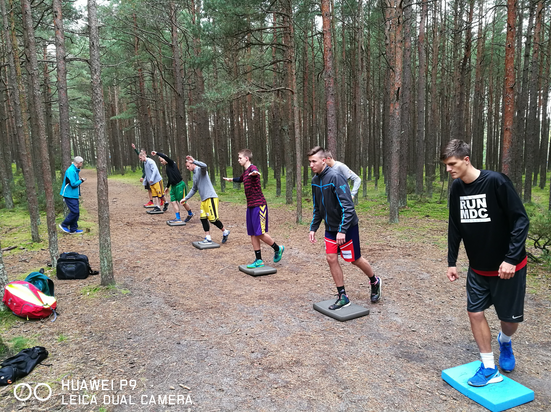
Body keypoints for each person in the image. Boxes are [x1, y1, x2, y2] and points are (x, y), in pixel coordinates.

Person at [442, 139, 529, 387]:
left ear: (466, 160)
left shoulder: (496, 182)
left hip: (508, 270)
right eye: (446, 165)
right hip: (478, 269)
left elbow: (520, 220)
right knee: (474, 312)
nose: (448, 169)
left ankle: (505, 340)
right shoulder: (457, 188)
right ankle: (489, 366)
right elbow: (455, 226)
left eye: (452, 164)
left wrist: (511, 259)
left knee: (510, 321)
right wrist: (452, 261)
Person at [307, 146, 381, 310]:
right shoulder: (315, 181)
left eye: (314, 161)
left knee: (354, 260)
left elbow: (348, 208)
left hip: (347, 227)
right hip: (330, 228)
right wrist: (313, 228)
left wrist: (342, 230)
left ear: (324, 160)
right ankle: (343, 296)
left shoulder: (336, 178)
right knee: (331, 258)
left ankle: (374, 280)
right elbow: (318, 208)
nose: (311, 165)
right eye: (309, 162)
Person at [223, 149, 284, 268]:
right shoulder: (245, 172)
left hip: (259, 205)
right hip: (250, 206)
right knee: (252, 233)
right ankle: (259, 260)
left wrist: (256, 173)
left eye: (240, 158)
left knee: (260, 233)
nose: (238, 160)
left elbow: (255, 171)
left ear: (246, 158)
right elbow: (240, 179)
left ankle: (278, 248)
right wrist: (230, 179)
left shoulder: (252, 168)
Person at [181, 155, 230, 244]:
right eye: (186, 167)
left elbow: (204, 165)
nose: (187, 168)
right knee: (203, 218)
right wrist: (185, 198)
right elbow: (194, 189)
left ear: (192, 164)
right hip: (204, 200)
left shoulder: (201, 170)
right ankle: (208, 237)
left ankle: (225, 231)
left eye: (188, 166)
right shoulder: (194, 175)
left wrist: (194, 160)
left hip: (211, 198)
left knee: (213, 219)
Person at [151, 151, 194, 224]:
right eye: (160, 162)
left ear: (165, 159)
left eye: (162, 161)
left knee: (182, 202)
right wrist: (167, 187)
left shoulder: (171, 163)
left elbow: (165, 157)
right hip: (173, 186)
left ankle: (190, 213)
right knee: (173, 201)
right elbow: (170, 178)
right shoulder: (167, 167)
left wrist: (157, 153)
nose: (161, 163)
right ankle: (178, 218)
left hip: (180, 185)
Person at [132, 143, 166, 210]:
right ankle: (157, 206)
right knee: (154, 194)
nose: (140, 159)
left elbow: (155, 170)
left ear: (144, 155)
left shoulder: (150, 161)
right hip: (150, 180)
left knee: (159, 194)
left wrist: (151, 178)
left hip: (155, 180)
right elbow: (146, 172)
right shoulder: (144, 162)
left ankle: (165, 202)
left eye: (141, 158)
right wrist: (145, 180)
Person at [59, 156, 86, 234]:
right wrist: (81, 180)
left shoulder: (75, 170)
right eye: (81, 163)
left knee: (76, 212)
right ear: (79, 163)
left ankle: (73, 229)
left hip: (73, 195)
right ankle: (64, 225)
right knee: (75, 212)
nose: (82, 164)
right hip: (69, 194)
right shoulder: (71, 170)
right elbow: (73, 184)